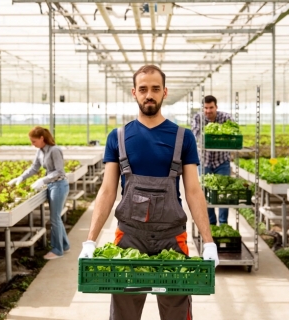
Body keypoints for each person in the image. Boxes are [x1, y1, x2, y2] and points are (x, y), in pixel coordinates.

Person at [79, 65, 219, 320]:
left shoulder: (183, 137)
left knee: (176, 309)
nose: (149, 95)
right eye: (143, 89)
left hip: (171, 238)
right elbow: (108, 190)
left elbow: (194, 192)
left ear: (165, 92)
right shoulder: (118, 137)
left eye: (155, 89)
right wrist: (90, 240)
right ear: (134, 92)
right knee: (125, 310)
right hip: (130, 236)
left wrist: (208, 242)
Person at [7, 126, 70, 260]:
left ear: (42, 138)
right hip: (51, 185)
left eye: (34, 141)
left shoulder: (55, 150)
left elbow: (60, 171)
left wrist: (43, 179)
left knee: (54, 219)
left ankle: (57, 250)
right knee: (56, 218)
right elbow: (34, 168)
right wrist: (21, 177)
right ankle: (64, 245)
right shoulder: (40, 151)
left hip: (59, 185)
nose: (32, 144)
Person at [191, 95, 233, 225]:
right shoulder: (198, 118)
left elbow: (232, 133)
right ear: (203, 108)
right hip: (205, 162)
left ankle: (223, 223)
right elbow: (196, 135)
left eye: (211, 107)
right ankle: (212, 223)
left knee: (223, 193)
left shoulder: (225, 118)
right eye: (206, 108)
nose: (208, 111)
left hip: (222, 161)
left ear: (216, 107)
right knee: (206, 194)